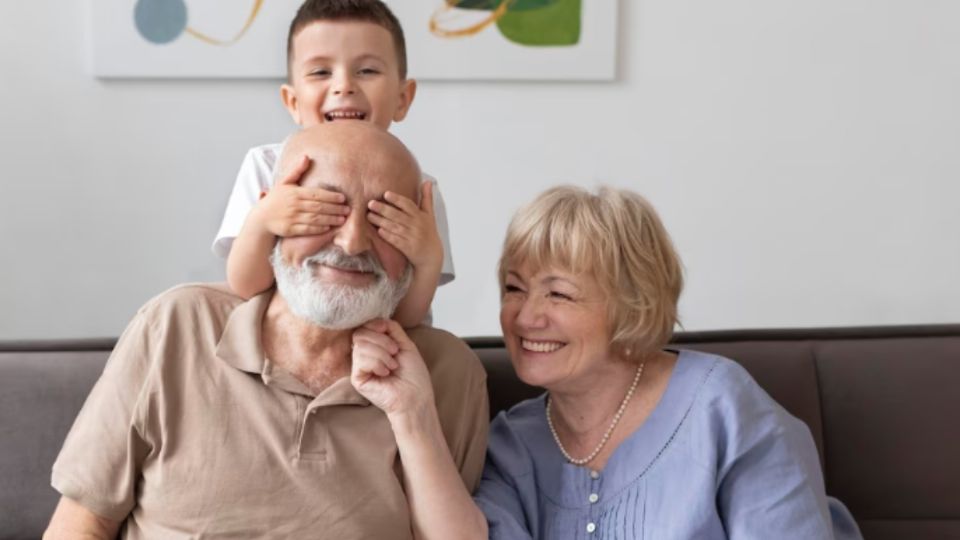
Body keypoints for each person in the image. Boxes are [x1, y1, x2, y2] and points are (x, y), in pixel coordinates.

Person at [44, 123, 488, 539]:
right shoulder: (176, 324)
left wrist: (414, 416)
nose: (352, 242)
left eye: (383, 219)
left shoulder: (447, 372)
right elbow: (81, 524)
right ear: (271, 218)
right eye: (324, 209)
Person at [390, 185, 864, 539]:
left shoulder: (722, 405)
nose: (525, 316)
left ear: (630, 304)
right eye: (514, 288)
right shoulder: (510, 443)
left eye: (559, 293)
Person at [215, 0, 452, 328]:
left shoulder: (418, 186)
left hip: (376, 344)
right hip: (285, 340)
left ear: (403, 98)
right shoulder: (266, 165)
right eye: (321, 72)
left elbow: (410, 320)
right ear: (293, 101)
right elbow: (245, 286)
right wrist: (262, 220)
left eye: (367, 70)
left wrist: (428, 261)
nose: (344, 86)